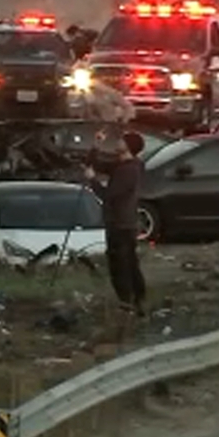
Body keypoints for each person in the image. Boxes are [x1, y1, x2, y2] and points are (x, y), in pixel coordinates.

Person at [85, 131, 147, 315]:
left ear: (128, 146)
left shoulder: (128, 171)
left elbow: (108, 195)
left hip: (120, 224)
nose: (117, 141)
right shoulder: (125, 165)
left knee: (120, 264)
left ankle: (127, 302)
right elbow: (96, 164)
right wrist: (96, 146)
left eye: (122, 140)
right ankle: (137, 299)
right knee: (129, 262)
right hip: (123, 223)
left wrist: (92, 180)